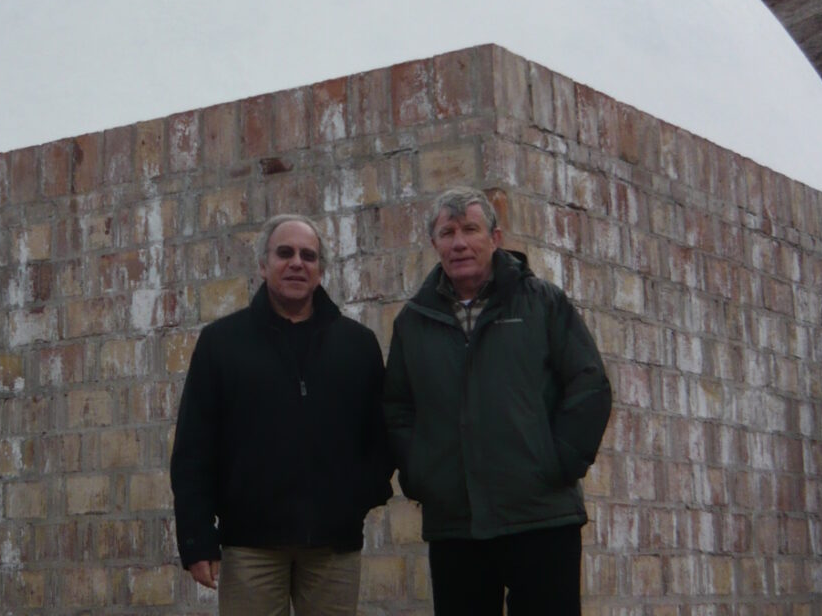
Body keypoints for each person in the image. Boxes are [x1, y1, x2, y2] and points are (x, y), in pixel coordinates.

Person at [384, 187, 612, 615]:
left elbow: (589, 385)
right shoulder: (414, 321)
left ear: (495, 237)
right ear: (435, 244)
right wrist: (420, 473)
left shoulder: (542, 302)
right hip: (456, 524)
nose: (459, 242)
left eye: (471, 229)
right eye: (447, 232)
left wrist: (558, 461)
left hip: (541, 515)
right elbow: (398, 407)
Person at [171, 214, 394, 615]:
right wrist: (196, 538)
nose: (297, 263)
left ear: (321, 270)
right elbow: (193, 447)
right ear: (263, 264)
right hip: (250, 548)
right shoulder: (221, 343)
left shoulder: (357, 345)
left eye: (308, 255)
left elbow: (380, 437)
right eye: (284, 253)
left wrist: (357, 500)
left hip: (333, 548)